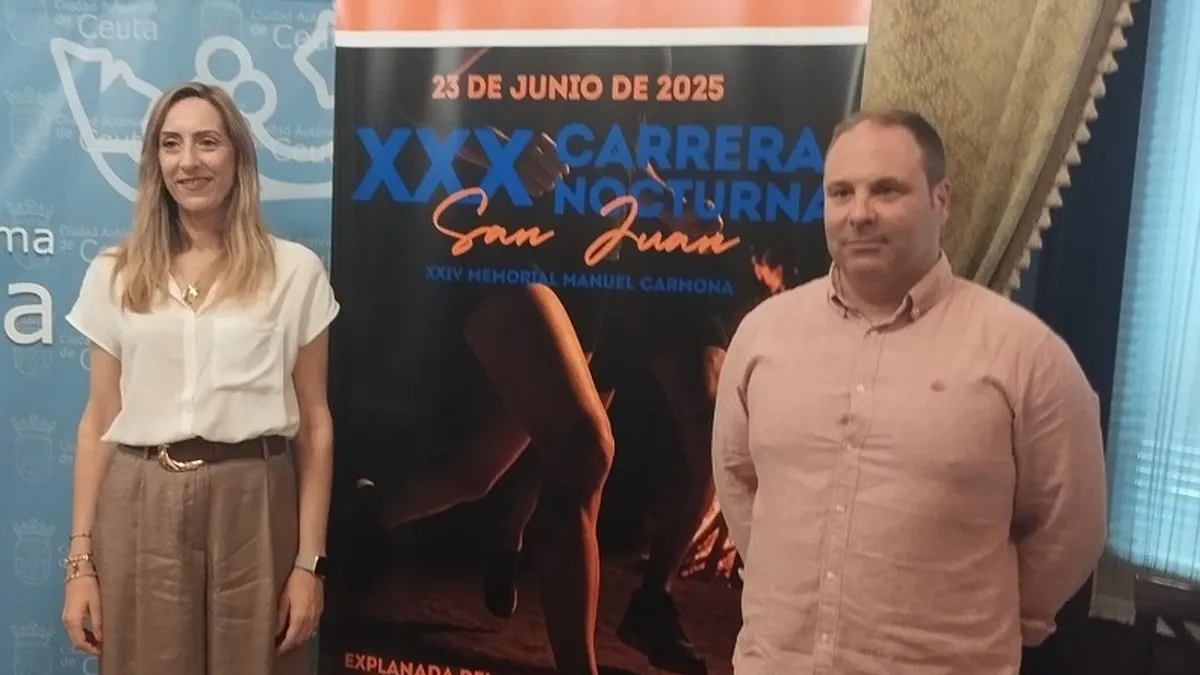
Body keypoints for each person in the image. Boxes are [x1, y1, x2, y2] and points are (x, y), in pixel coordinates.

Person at [710, 109, 1108, 674]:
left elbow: (1071, 527)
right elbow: (738, 482)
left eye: (887, 190)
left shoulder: (1026, 354)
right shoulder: (762, 335)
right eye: (841, 193)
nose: (860, 214)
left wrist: (984, 616)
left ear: (940, 200)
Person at [58, 81, 340, 675]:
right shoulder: (114, 272)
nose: (188, 161)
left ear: (238, 157)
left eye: (207, 142)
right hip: (141, 503)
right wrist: (80, 562)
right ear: (155, 161)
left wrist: (308, 563)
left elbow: (315, 424)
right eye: (171, 144)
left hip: (256, 503)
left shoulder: (296, 272)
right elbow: (98, 418)